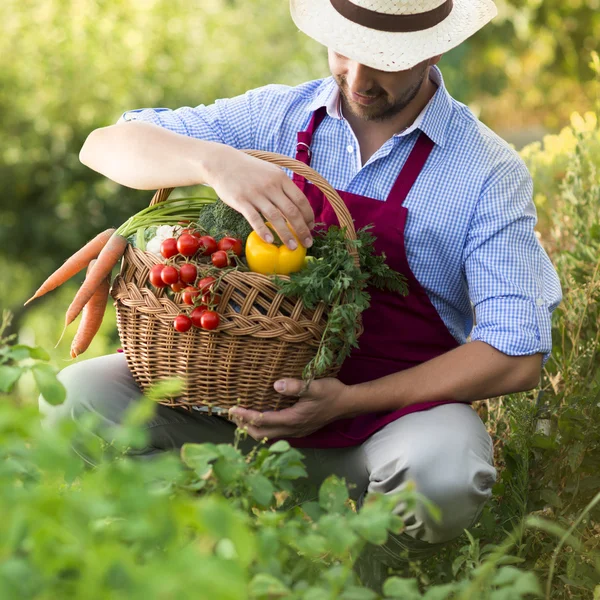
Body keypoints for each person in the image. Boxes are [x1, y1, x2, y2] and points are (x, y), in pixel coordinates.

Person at [41, 0, 562, 572]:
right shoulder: (276, 115)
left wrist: (349, 402)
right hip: (230, 403)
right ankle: (188, 557)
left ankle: (362, 573)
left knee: (446, 471)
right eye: (346, 50)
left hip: (382, 428)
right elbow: (105, 143)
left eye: (385, 60)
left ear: (435, 47)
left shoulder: (486, 172)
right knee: (74, 401)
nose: (358, 79)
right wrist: (216, 164)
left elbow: (517, 355)